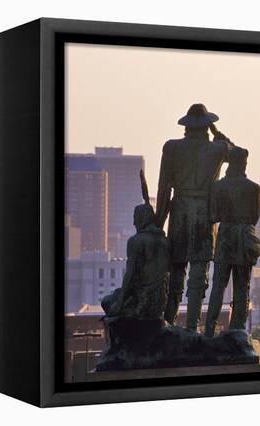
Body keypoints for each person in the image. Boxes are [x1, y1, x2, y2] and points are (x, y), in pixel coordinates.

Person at [156, 104, 234, 332]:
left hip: (179, 211)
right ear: (207, 126)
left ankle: (168, 323)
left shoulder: (172, 148)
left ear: (186, 126)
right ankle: (191, 327)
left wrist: (158, 222)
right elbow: (238, 154)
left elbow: (163, 188)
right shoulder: (218, 148)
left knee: (175, 270)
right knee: (199, 273)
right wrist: (217, 132)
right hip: (204, 214)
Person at [204, 147, 260, 337]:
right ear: (243, 163)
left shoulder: (218, 187)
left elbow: (213, 215)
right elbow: (254, 217)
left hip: (226, 236)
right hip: (245, 236)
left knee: (218, 285)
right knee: (242, 286)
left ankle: (210, 330)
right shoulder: (253, 188)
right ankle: (237, 329)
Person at [102, 172, 170, 320]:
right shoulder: (164, 241)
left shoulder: (136, 241)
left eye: (135, 219)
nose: (134, 223)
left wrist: (119, 304)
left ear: (140, 219)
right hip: (161, 301)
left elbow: (130, 275)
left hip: (143, 301)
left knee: (107, 301)